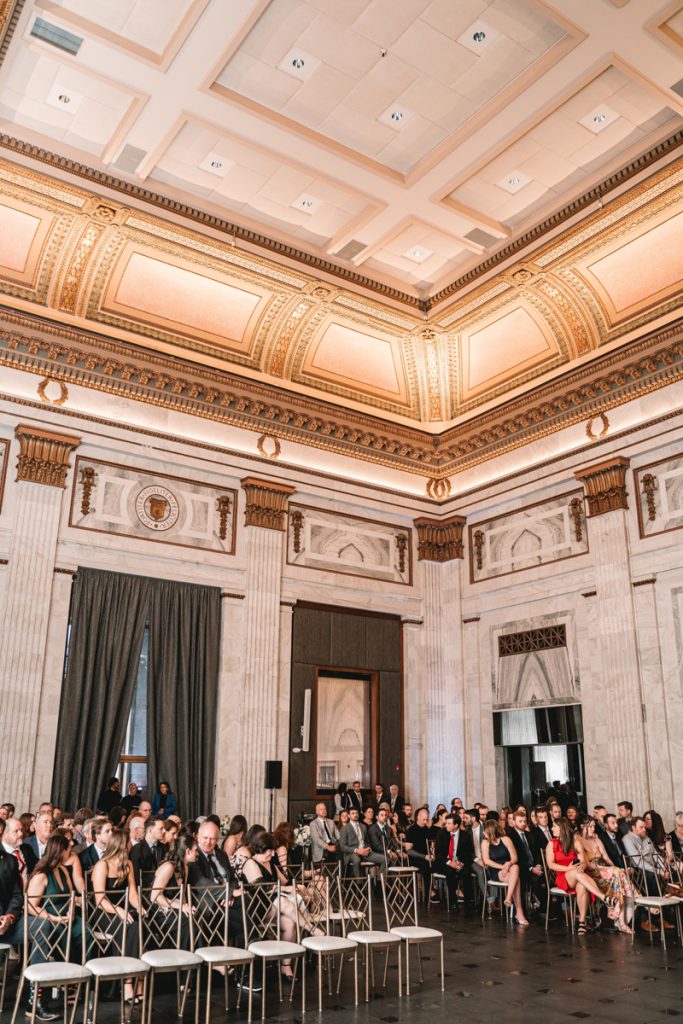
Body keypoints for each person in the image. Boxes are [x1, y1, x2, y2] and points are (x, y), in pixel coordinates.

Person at [241, 831, 323, 979]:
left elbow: (286, 880)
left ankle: (285, 965)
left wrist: (298, 886)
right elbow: (264, 888)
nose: (272, 854)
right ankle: (312, 930)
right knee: (282, 901)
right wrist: (286, 889)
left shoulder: (270, 864)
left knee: (290, 921)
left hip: (274, 908)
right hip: (256, 910)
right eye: (270, 851)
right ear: (260, 848)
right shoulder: (250, 863)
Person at [91, 829, 143, 1002]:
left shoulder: (128, 864)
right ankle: (128, 982)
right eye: (128, 842)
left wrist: (139, 907)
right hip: (102, 912)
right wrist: (118, 910)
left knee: (139, 924)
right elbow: (100, 899)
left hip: (122, 910)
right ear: (122, 844)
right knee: (128, 926)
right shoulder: (102, 865)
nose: (130, 845)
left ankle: (134, 977)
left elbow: (133, 894)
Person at [545, 818, 617, 935]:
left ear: (562, 828)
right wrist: (570, 868)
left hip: (579, 875)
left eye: (554, 826)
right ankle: (604, 897)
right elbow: (551, 865)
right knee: (576, 873)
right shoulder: (551, 843)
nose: (552, 828)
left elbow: (583, 862)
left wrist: (582, 866)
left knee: (581, 886)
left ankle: (582, 922)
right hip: (563, 877)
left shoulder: (576, 842)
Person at [574, 816, 635, 933]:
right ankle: (622, 919)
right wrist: (605, 869)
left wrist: (613, 868)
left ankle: (621, 921)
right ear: (582, 826)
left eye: (594, 826)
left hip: (604, 873)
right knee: (618, 875)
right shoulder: (578, 840)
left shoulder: (596, 840)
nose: (593, 829)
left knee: (619, 874)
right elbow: (586, 863)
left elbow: (606, 858)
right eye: (590, 826)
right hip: (591, 875)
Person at [481, 819, 528, 927]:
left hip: (509, 867)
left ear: (491, 831)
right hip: (496, 870)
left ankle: (508, 898)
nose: (483, 833)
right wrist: (502, 867)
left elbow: (515, 858)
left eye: (485, 831)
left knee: (515, 867)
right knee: (517, 880)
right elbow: (487, 861)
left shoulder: (506, 839)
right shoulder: (485, 842)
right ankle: (519, 913)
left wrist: (508, 864)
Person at [434, 814, 474, 909]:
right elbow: (438, 853)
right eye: (446, 823)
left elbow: (469, 853)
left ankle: (468, 901)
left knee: (466, 872)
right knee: (450, 871)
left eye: (448, 823)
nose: (446, 825)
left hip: (459, 862)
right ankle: (453, 900)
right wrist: (449, 862)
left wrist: (461, 863)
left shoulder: (465, 836)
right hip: (444, 862)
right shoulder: (441, 833)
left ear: (456, 825)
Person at [340, 807, 384, 877]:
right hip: (352, 853)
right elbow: (343, 847)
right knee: (357, 860)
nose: (355, 815)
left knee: (384, 859)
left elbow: (367, 842)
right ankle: (359, 885)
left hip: (365, 852)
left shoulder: (363, 827)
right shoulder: (344, 828)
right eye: (353, 813)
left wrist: (368, 848)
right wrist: (357, 850)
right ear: (349, 815)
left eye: (357, 813)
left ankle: (379, 884)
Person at [129, 815, 166, 885]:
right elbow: (136, 878)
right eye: (161, 828)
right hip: (143, 892)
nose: (164, 831)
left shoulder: (165, 848)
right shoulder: (136, 850)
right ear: (150, 830)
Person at [404, 807, 434, 890]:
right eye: (424, 819)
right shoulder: (411, 830)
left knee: (438, 863)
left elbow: (432, 844)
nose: (425, 822)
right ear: (418, 817)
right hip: (416, 857)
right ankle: (430, 891)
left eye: (427, 820)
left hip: (428, 856)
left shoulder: (427, 829)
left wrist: (432, 854)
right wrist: (424, 856)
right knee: (426, 865)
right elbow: (409, 851)